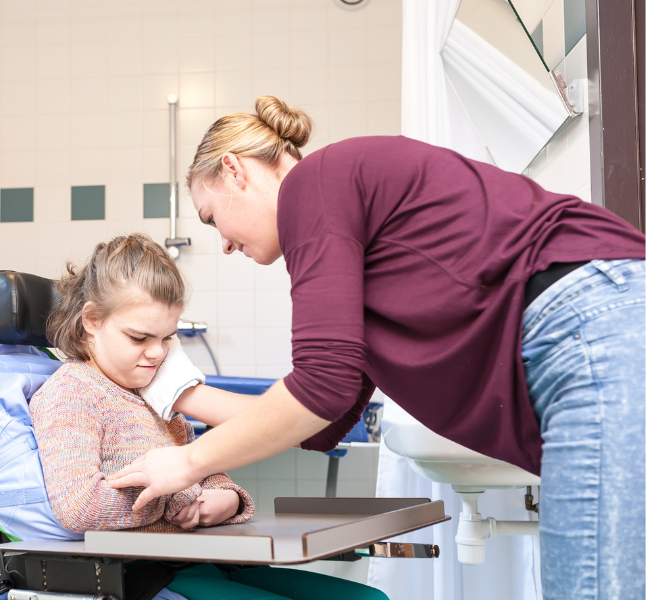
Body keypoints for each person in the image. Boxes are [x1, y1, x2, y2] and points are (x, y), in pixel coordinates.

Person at [110, 98, 646, 599]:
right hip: (600, 334)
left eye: (211, 218)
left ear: (234, 169)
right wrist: (178, 391)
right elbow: (319, 420)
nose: (223, 243)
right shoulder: (348, 229)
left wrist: (186, 462)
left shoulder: (314, 185)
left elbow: (320, 387)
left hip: (593, 325)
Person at [31, 233, 390, 600]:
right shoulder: (71, 393)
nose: (156, 353)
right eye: (139, 338)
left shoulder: (156, 395)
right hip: (142, 575)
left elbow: (209, 472)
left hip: (203, 560)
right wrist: (175, 498)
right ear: (91, 320)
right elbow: (79, 508)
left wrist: (226, 500)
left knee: (370, 598)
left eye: (167, 337)